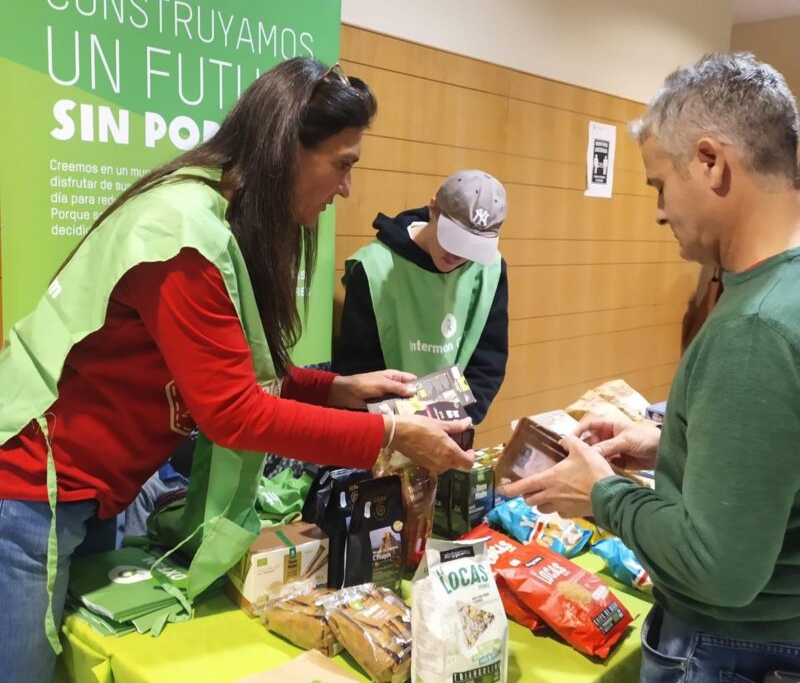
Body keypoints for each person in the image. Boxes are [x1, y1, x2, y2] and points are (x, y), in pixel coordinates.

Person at [0, 58, 473, 682]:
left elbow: (239, 372)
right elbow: (234, 412)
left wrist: (338, 388)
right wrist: (388, 438)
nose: (346, 189)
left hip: (92, 495)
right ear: (287, 152)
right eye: (343, 164)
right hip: (32, 493)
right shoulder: (183, 238)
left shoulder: (215, 223)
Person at [502, 53, 800, 682]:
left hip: (733, 650)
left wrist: (601, 495)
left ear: (711, 162)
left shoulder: (753, 326)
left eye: (660, 186)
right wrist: (670, 446)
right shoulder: (783, 292)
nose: (660, 212)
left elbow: (720, 568)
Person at [334, 170, 509, 423]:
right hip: (383, 429)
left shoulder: (490, 270)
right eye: (453, 239)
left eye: (471, 246)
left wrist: (456, 419)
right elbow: (358, 369)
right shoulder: (373, 267)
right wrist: (401, 425)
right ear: (433, 209)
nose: (457, 254)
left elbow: (488, 362)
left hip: (454, 426)